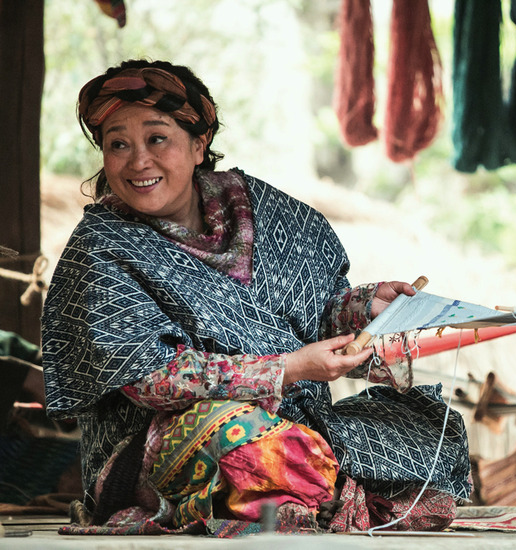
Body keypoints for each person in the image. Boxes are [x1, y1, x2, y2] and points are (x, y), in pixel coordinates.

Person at [41, 59, 471, 534]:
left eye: (157, 138)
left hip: (297, 419)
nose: (138, 160)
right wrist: (288, 369)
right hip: (160, 440)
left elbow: (317, 310)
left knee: (430, 437)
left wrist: (364, 306)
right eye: (117, 144)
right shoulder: (102, 245)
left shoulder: (267, 213)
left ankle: (310, 484)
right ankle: (316, 489)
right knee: (249, 442)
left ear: (199, 143)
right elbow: (151, 381)